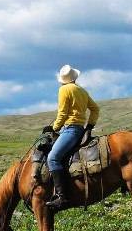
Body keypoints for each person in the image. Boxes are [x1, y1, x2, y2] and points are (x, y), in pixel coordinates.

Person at [42, 64, 100, 210]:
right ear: (74, 77)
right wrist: (90, 125)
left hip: (70, 130)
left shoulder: (64, 89)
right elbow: (95, 109)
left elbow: (62, 113)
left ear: (63, 79)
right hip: (80, 129)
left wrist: (54, 128)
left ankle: (62, 198)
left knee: (52, 158)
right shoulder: (82, 90)